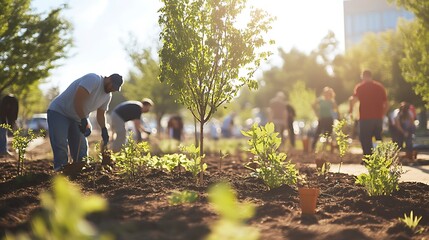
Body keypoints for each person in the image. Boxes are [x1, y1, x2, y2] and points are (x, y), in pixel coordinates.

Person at [47, 73, 123, 172]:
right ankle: (61, 171)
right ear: (108, 79)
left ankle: (79, 169)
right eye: (113, 86)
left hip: (77, 117)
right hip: (59, 112)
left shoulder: (107, 96)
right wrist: (83, 119)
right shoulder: (93, 79)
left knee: (81, 146)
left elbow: (101, 114)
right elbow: (78, 100)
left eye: (115, 89)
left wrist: (104, 129)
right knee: (60, 143)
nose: (113, 89)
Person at [349, 70, 388, 156]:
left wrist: (351, 111)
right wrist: (382, 115)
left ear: (363, 76)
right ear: (371, 76)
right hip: (378, 118)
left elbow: (353, 100)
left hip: (365, 118)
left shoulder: (360, 87)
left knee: (365, 138)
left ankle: (368, 158)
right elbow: (386, 103)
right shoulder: (380, 87)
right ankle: (380, 157)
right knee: (378, 137)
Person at [311, 87, 338, 151]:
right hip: (322, 118)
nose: (326, 94)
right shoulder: (320, 100)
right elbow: (313, 105)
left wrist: (336, 116)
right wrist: (316, 113)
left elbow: (336, 109)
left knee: (329, 134)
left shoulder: (332, 101)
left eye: (328, 93)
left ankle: (327, 148)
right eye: (325, 93)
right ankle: (313, 147)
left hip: (329, 119)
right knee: (318, 132)